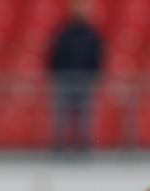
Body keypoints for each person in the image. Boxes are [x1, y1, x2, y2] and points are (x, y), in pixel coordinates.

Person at [49, 0, 104, 150]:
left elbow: (97, 57)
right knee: (61, 116)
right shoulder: (63, 33)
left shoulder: (92, 34)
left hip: (85, 80)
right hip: (65, 79)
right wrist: (57, 74)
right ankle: (59, 147)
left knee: (85, 117)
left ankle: (84, 147)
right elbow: (54, 55)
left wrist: (93, 75)